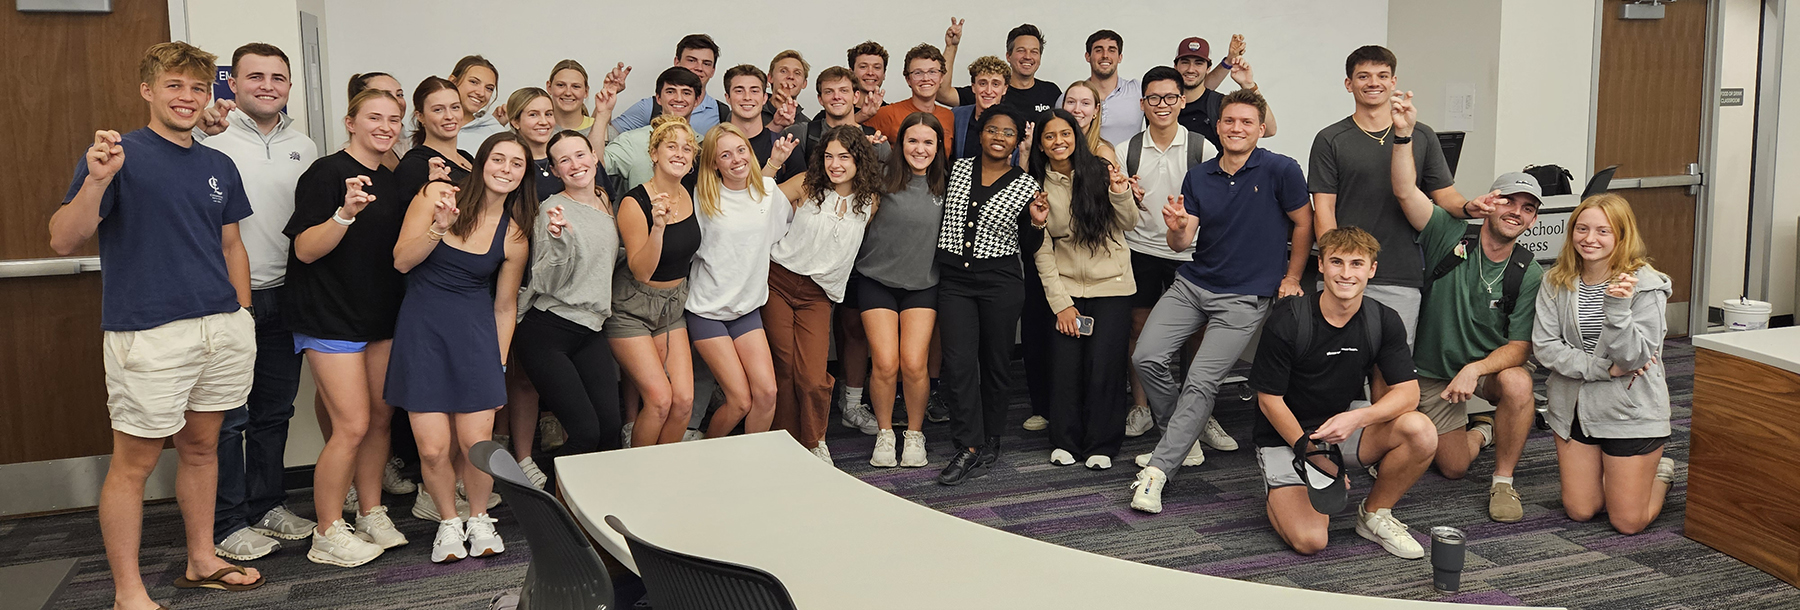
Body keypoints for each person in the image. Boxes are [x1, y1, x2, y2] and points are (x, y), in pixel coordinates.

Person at [50, 41, 265, 609]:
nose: (187, 98)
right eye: (174, 85)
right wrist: (95, 181)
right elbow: (63, 239)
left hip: (219, 328)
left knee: (201, 448)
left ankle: (201, 560)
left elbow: (230, 243)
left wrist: (239, 311)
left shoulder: (218, 164)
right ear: (148, 90)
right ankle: (128, 594)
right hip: (149, 333)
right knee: (134, 464)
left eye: (198, 88)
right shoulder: (118, 155)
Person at [1130, 89, 1311, 512]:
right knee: (1146, 357)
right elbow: (1180, 243)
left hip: (1244, 297)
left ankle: (1158, 471)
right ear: (1217, 126)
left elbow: (1304, 223)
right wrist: (1175, 227)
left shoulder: (1280, 169)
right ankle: (1185, 435)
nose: (1237, 128)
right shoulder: (1199, 175)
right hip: (1193, 284)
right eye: (1229, 121)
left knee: (1201, 382)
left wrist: (1292, 277)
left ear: (1261, 129)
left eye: (1247, 122)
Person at [1391, 91, 1542, 523]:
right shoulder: (1450, 234)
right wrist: (1403, 135)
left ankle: (1504, 482)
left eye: (1527, 209)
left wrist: (1477, 369)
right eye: (1509, 201)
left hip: (1482, 372)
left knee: (1517, 384)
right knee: (1454, 466)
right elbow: (1405, 190)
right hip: (1436, 374)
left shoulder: (1528, 272)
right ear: (1490, 201)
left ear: (1533, 221)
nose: (1516, 212)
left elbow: (1520, 347)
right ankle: (1484, 429)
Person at [197, 42, 320, 564]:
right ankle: (227, 521)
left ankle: (268, 504)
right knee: (227, 419)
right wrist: (204, 128)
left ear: (290, 86)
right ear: (233, 83)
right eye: (255, 76)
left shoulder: (306, 146)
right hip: (226, 298)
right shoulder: (209, 137)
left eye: (277, 77)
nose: (267, 85)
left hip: (287, 294)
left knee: (274, 412)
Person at [387, 132, 534, 563]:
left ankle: (479, 517)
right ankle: (449, 522)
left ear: (524, 175)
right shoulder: (436, 195)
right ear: (481, 162)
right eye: (498, 159)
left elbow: (506, 305)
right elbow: (401, 260)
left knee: (476, 443)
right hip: (423, 332)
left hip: (475, 338)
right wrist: (438, 228)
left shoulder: (515, 233)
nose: (505, 169)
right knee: (431, 447)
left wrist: (500, 358)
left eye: (516, 164)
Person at [1248, 227, 1437, 559]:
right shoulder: (1289, 319)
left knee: (1420, 430)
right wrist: (1317, 460)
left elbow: (1408, 394)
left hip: (1341, 427)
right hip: (1285, 436)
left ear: (1372, 270)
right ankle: (1280, 489)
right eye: (1337, 262)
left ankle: (1375, 514)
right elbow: (1269, 401)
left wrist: (1358, 417)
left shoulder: (1383, 319)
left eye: (1356, 264)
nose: (1346, 274)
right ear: (1321, 266)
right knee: (1311, 541)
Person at [284, 88, 414, 566]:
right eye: (374, 117)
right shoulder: (326, 172)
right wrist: (344, 214)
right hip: (329, 315)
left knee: (380, 418)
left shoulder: (395, 179)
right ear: (350, 122)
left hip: (379, 315)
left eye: (394, 119)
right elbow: (304, 250)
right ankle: (326, 530)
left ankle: (371, 510)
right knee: (352, 424)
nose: (385, 126)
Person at [1532, 194, 1676, 535]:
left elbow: (1634, 359)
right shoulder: (1555, 280)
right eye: (1582, 229)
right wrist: (1601, 369)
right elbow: (1545, 348)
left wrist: (1617, 308)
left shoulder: (1646, 285)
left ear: (1622, 237)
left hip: (1629, 409)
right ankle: (1622, 478)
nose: (1589, 239)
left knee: (1627, 522)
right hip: (1575, 407)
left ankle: (1660, 474)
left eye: (1603, 231)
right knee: (1581, 510)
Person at [1309, 46, 1470, 346]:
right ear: (1349, 84)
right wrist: (1336, 266)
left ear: (1393, 81)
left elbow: (1445, 195)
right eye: (1364, 76)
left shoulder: (1421, 135)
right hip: (1345, 276)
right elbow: (1324, 210)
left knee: (1393, 369)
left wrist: (1471, 207)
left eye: (1382, 75)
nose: (1374, 83)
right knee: (1334, 366)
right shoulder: (1330, 139)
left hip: (1400, 273)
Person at [934, 107, 1050, 485]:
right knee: (959, 362)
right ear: (981, 134)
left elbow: (1030, 245)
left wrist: (1036, 221)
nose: (999, 137)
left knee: (997, 362)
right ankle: (968, 445)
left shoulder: (1026, 185)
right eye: (993, 130)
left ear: (1018, 142)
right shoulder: (958, 170)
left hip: (1000, 281)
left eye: (1009, 133)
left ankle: (992, 437)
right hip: (954, 281)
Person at [1119, 66, 1226, 457]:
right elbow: (1118, 211)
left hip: (1192, 252)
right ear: (1143, 104)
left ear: (1182, 101)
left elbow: (1218, 205)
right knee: (1139, 328)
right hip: (1141, 249)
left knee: (1198, 334)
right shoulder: (1125, 150)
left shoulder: (1203, 148)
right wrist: (1124, 197)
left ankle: (1200, 412)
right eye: (1153, 98)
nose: (1161, 105)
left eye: (1170, 97)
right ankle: (1141, 407)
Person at [1029, 108, 1138, 469]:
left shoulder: (1099, 171)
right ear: (1041, 146)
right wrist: (1061, 304)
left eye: (1065, 134)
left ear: (1076, 136)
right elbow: (1042, 252)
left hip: (1113, 286)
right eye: (1049, 136)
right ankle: (1065, 440)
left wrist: (1121, 194)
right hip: (1067, 288)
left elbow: (1129, 223)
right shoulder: (1035, 186)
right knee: (1065, 366)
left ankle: (1102, 445)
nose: (1058, 141)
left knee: (1104, 368)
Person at [515, 130, 621, 490]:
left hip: (591, 329)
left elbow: (610, 260)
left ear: (594, 157)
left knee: (610, 430)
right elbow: (545, 280)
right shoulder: (552, 210)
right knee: (585, 433)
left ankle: (602, 510)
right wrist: (558, 243)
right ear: (556, 171)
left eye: (580, 155)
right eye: (564, 160)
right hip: (549, 331)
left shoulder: (605, 202)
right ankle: (555, 511)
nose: (575, 165)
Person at [767, 125, 880, 461]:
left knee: (813, 375)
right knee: (784, 365)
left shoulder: (869, 200)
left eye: (844, 156)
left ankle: (815, 440)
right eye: (829, 156)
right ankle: (787, 440)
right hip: (780, 282)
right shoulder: (806, 183)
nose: (835, 164)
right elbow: (760, 200)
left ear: (858, 159)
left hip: (819, 294)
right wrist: (773, 165)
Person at [687, 123, 793, 440]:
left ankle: (751, 465)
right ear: (714, 163)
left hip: (747, 310)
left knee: (767, 394)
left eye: (741, 150)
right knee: (739, 401)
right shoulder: (701, 198)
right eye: (725, 154)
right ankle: (710, 458)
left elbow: (780, 234)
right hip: (707, 312)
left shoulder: (769, 192)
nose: (736, 159)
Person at [860, 112, 949, 468]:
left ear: (939, 146)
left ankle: (914, 434)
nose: (920, 148)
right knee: (884, 362)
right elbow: (840, 153)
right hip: (876, 280)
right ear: (899, 143)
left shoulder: (949, 183)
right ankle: (885, 433)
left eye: (928, 142)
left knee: (914, 364)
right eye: (912, 140)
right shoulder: (880, 173)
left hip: (923, 284)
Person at [608, 115, 703, 448]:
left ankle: (664, 474)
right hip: (632, 308)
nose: (679, 153)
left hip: (673, 307)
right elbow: (641, 271)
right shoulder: (635, 203)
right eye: (671, 146)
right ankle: (637, 477)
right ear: (653, 153)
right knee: (660, 400)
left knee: (683, 403)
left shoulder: (693, 192)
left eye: (687, 148)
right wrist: (658, 227)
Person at [606, 67, 703, 192]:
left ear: (696, 101)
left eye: (686, 93)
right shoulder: (632, 140)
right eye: (670, 91)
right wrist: (603, 112)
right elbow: (596, 164)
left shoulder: (703, 144)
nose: (679, 98)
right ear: (658, 98)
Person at [1174, 35, 1279, 151]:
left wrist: (1249, 85)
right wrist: (1228, 61)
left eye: (1198, 63)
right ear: (1175, 66)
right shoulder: (1163, 103)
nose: (1190, 69)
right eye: (1185, 62)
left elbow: (1269, 130)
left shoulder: (1219, 104)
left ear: (1208, 68)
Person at [940, 22, 1062, 114]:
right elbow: (943, 94)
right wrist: (951, 47)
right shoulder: (991, 91)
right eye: (1021, 51)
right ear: (1008, 56)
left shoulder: (1051, 92)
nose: (1028, 57)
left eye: (1034, 52)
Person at [612, 34, 724, 134]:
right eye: (691, 60)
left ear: (713, 70)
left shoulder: (721, 112)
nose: (699, 68)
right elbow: (605, 136)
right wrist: (608, 98)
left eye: (706, 63)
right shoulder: (650, 107)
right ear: (677, 62)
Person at [866, 43, 957, 153]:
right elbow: (851, 136)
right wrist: (863, 115)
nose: (926, 78)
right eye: (918, 73)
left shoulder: (949, 116)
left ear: (941, 77)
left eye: (932, 72)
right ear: (908, 79)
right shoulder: (889, 114)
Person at [397, 76, 475, 201]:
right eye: (438, 110)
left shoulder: (467, 157)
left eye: (455, 107)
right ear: (420, 116)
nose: (449, 116)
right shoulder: (414, 166)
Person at [721, 64, 799, 168]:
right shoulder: (712, 146)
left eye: (754, 91)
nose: (747, 97)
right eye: (739, 91)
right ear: (728, 98)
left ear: (764, 98)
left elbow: (802, 181)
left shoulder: (784, 146)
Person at [1076, 30, 1143, 146]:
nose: (1105, 55)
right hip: (1087, 163)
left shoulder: (1138, 90)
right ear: (1087, 56)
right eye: (1098, 50)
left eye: (1112, 50)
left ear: (1120, 57)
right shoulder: (1072, 97)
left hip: (1129, 164)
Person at [502, 87, 567, 202]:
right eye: (533, 115)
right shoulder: (508, 166)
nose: (544, 122)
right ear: (515, 122)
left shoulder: (568, 156)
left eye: (548, 114)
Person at [947, 56, 1010, 159]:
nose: (988, 91)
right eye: (983, 83)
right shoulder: (957, 116)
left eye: (995, 84)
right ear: (973, 87)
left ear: (1004, 89)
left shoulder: (1013, 122)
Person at [347, 72, 408, 169]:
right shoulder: (334, 167)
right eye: (374, 118)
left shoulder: (406, 149)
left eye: (399, 94)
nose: (396, 101)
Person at [451, 55, 505, 151]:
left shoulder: (495, 133)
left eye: (489, 88)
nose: (481, 93)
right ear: (453, 81)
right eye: (474, 82)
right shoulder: (430, 122)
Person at [1061, 81, 1120, 167]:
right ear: (1063, 106)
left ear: (1096, 109)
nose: (1077, 109)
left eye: (1085, 103)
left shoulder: (1103, 153)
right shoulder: (1056, 147)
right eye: (1071, 102)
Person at [546, 60, 596, 135]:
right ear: (549, 87)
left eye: (576, 86)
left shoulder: (603, 130)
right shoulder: (538, 129)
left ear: (586, 91)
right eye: (560, 85)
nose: (568, 93)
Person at [845, 40, 889, 123]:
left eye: (877, 67)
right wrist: (861, 116)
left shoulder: (892, 114)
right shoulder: (833, 112)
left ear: (884, 74)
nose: (870, 73)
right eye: (863, 67)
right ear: (851, 73)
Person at [763, 50, 810, 127]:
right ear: (770, 78)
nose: (791, 76)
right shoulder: (753, 113)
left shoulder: (807, 126)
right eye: (783, 71)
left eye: (797, 73)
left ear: (804, 83)